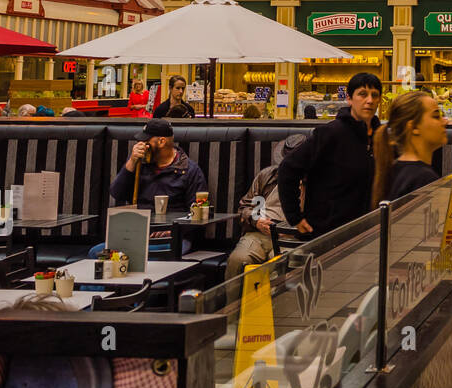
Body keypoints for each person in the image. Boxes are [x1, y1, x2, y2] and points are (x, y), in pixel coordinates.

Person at [277, 72, 383, 238]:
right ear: (349, 99)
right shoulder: (330, 133)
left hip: (367, 233)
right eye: (362, 94)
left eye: (374, 95)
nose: (369, 100)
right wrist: (295, 217)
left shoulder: (381, 137)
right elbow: (288, 168)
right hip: (327, 233)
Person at [225, 132, 305, 279]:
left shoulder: (317, 182)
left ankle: (276, 301)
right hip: (259, 234)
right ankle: (234, 303)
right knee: (237, 261)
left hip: (293, 239)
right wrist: (257, 222)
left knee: (281, 266)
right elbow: (246, 207)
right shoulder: (266, 176)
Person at [372, 90, 448, 206]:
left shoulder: (394, 169)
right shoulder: (423, 179)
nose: (445, 122)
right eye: (436, 116)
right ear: (414, 127)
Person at [110, 118, 206, 210]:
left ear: (161, 142)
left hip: (171, 224)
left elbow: (197, 214)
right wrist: (131, 161)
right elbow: (117, 194)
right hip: (140, 223)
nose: (141, 145)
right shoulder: (138, 162)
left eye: (146, 141)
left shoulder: (189, 170)